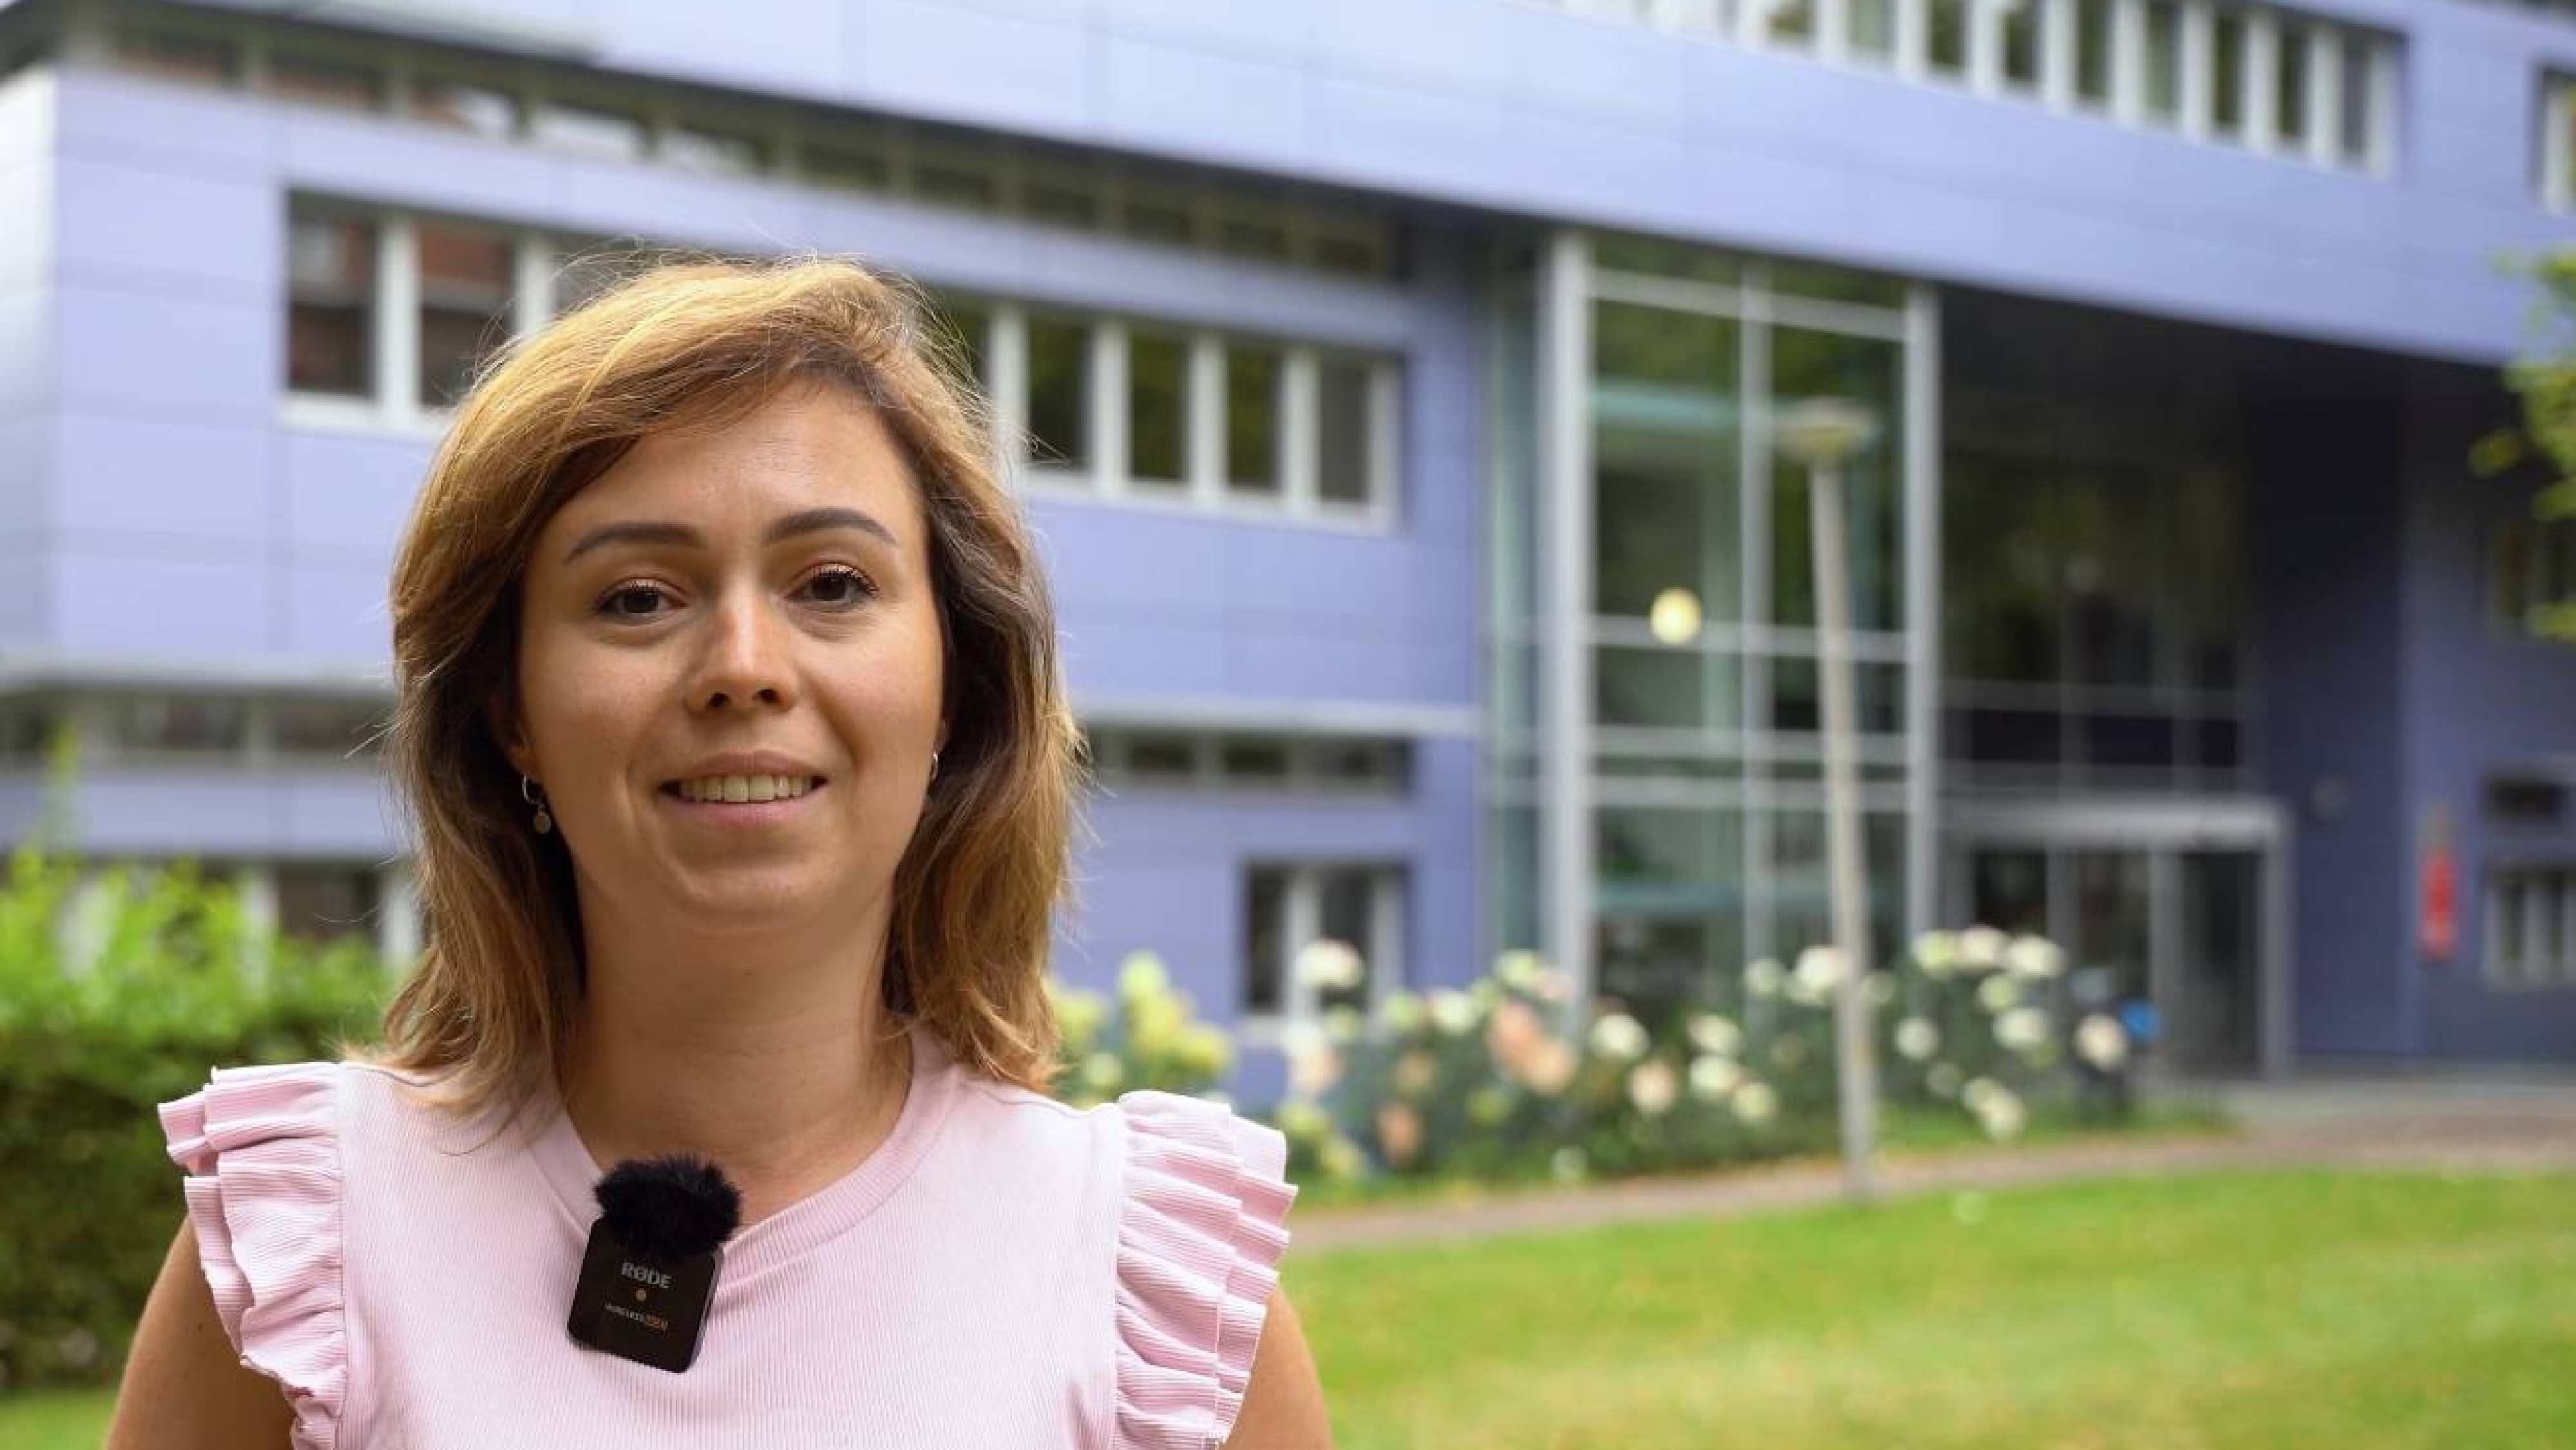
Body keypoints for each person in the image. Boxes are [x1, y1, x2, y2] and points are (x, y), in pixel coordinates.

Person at [106, 258, 1329, 1448]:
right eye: (638, 597)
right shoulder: (301, 1259)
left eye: (834, 583)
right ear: (511, 712)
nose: (745, 666)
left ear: (955, 687)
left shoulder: (1154, 1296)